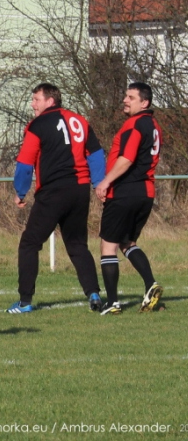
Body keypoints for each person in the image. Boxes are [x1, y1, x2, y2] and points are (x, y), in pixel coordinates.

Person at [8, 83, 105, 314]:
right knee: (77, 243)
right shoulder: (80, 120)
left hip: (53, 191)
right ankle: (93, 293)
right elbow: (97, 154)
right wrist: (99, 184)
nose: (33, 104)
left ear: (50, 101)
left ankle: (24, 301)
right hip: (80, 190)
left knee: (30, 243)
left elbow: (24, 164)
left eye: (36, 99)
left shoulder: (38, 125)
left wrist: (20, 191)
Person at [94, 82, 163, 315]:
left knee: (108, 245)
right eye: (125, 95)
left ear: (145, 102)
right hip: (146, 193)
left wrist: (105, 182)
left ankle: (112, 303)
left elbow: (127, 159)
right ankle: (150, 285)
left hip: (125, 192)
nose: (125, 100)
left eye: (131, 97)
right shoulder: (154, 125)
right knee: (127, 243)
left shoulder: (134, 124)